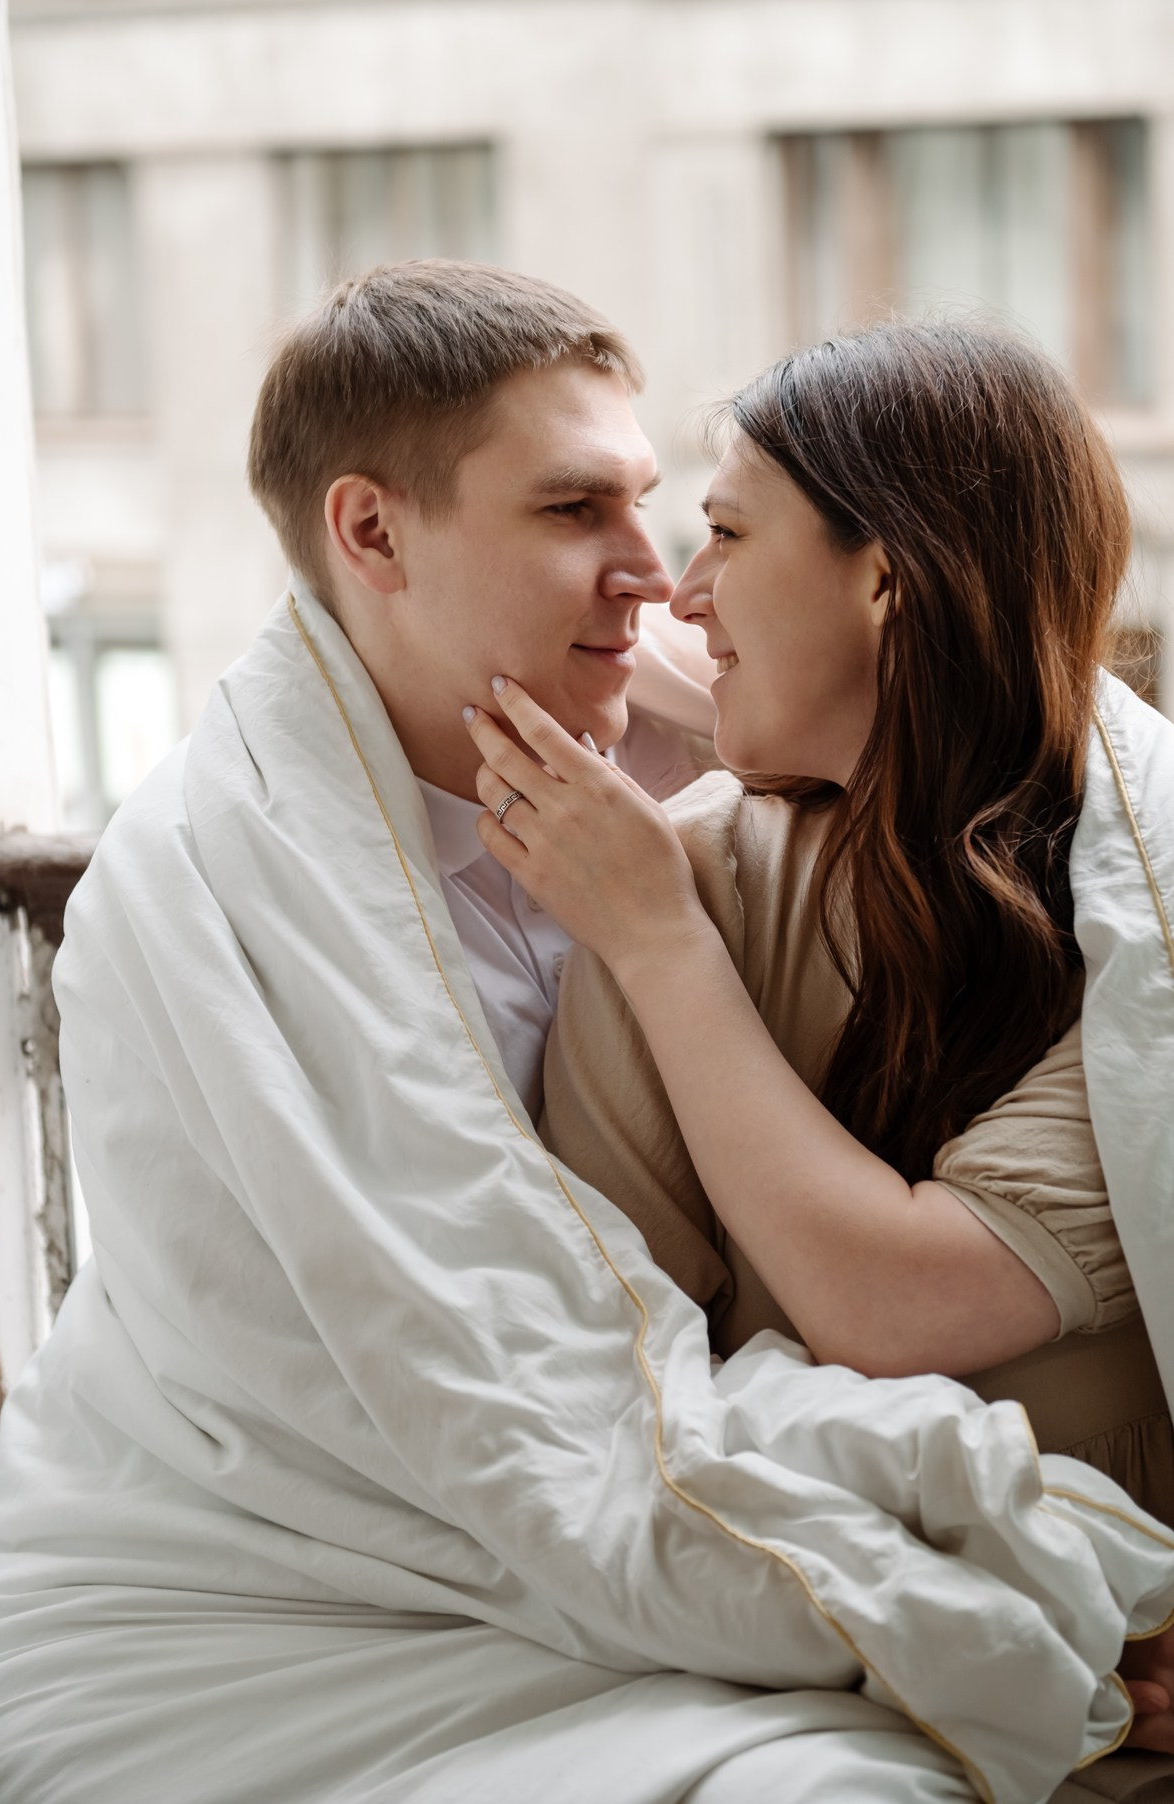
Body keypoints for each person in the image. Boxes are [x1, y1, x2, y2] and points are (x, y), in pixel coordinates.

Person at [0, 269, 1174, 1804]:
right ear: (371, 534)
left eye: (680, 520)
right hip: (289, 1581)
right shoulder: (235, 873)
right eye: (571, 514)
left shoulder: (695, 804)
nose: (657, 577)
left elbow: (907, 684)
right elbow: (522, 1374)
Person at [462, 318, 1174, 1763]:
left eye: (723, 530)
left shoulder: (1128, 925)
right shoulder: (706, 874)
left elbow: (899, 1303)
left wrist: (659, 945)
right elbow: (622, 1361)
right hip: (819, 1588)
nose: (683, 588)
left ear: (890, 577)